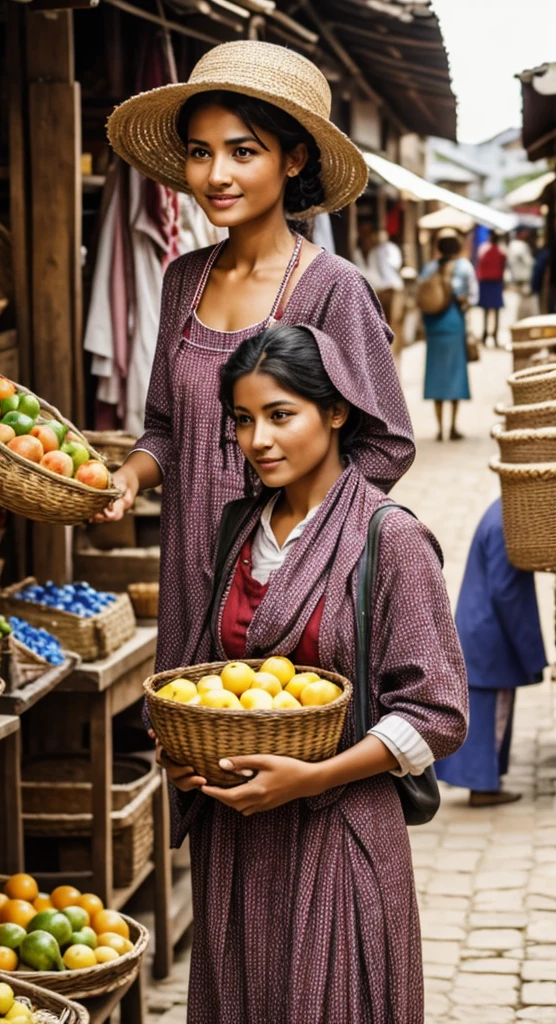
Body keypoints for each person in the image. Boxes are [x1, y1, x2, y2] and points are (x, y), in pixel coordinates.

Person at [154, 325, 467, 1024]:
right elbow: (214, 680)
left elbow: (437, 714)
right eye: (242, 419)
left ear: (337, 411)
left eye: (280, 414)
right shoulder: (239, 530)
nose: (257, 440)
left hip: (338, 834)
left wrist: (311, 777)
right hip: (237, 841)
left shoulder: (389, 538)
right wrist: (187, 760)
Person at [104, 40, 415, 673]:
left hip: (291, 587)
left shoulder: (332, 288)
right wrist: (128, 478)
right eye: (200, 152)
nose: (216, 174)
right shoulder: (182, 279)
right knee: (195, 738)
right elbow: (165, 427)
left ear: (293, 159)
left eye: (243, 151)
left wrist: (296, 541)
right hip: (191, 570)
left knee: (280, 744)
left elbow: (387, 443)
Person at [436, 498, 546, 806]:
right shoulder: (509, 524)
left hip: (480, 625)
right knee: (491, 711)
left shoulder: (502, 512)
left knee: (485, 710)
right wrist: (532, 654)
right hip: (491, 632)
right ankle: (483, 785)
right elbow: (507, 593)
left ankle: (482, 780)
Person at [420, 228, 478, 442]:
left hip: (434, 327)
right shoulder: (464, 267)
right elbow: (472, 297)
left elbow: (422, 296)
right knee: (455, 376)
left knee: (435, 376)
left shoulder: (429, 268)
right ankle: (453, 426)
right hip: (454, 324)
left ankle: (439, 428)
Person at [353, 220, 406, 364]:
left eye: (368, 233)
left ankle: (394, 362)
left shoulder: (385, 250)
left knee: (393, 329)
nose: (366, 237)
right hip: (373, 294)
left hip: (390, 291)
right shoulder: (357, 253)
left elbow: (393, 267)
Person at [476, 229, 506, 347]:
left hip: (487, 283)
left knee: (486, 311)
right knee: (495, 311)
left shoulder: (484, 250)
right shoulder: (501, 252)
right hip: (494, 283)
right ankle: (493, 335)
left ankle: (487, 335)